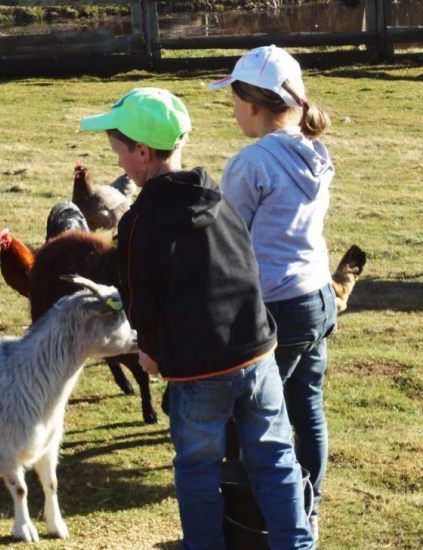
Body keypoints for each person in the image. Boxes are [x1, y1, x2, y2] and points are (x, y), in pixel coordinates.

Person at [80, 87, 315, 550]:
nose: (120, 164)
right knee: (275, 458)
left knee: (197, 468)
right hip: (258, 354)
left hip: (200, 372)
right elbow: (247, 269)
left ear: (142, 152)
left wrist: (150, 349)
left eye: (120, 153)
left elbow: (138, 298)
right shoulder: (219, 198)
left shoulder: (140, 223)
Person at [209, 45, 338, 541]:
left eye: (235, 100)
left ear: (254, 105)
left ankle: (268, 522)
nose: (233, 110)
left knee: (256, 419)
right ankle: (311, 508)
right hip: (317, 297)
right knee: (306, 407)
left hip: (276, 307)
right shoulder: (314, 151)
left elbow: (229, 237)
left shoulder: (250, 163)